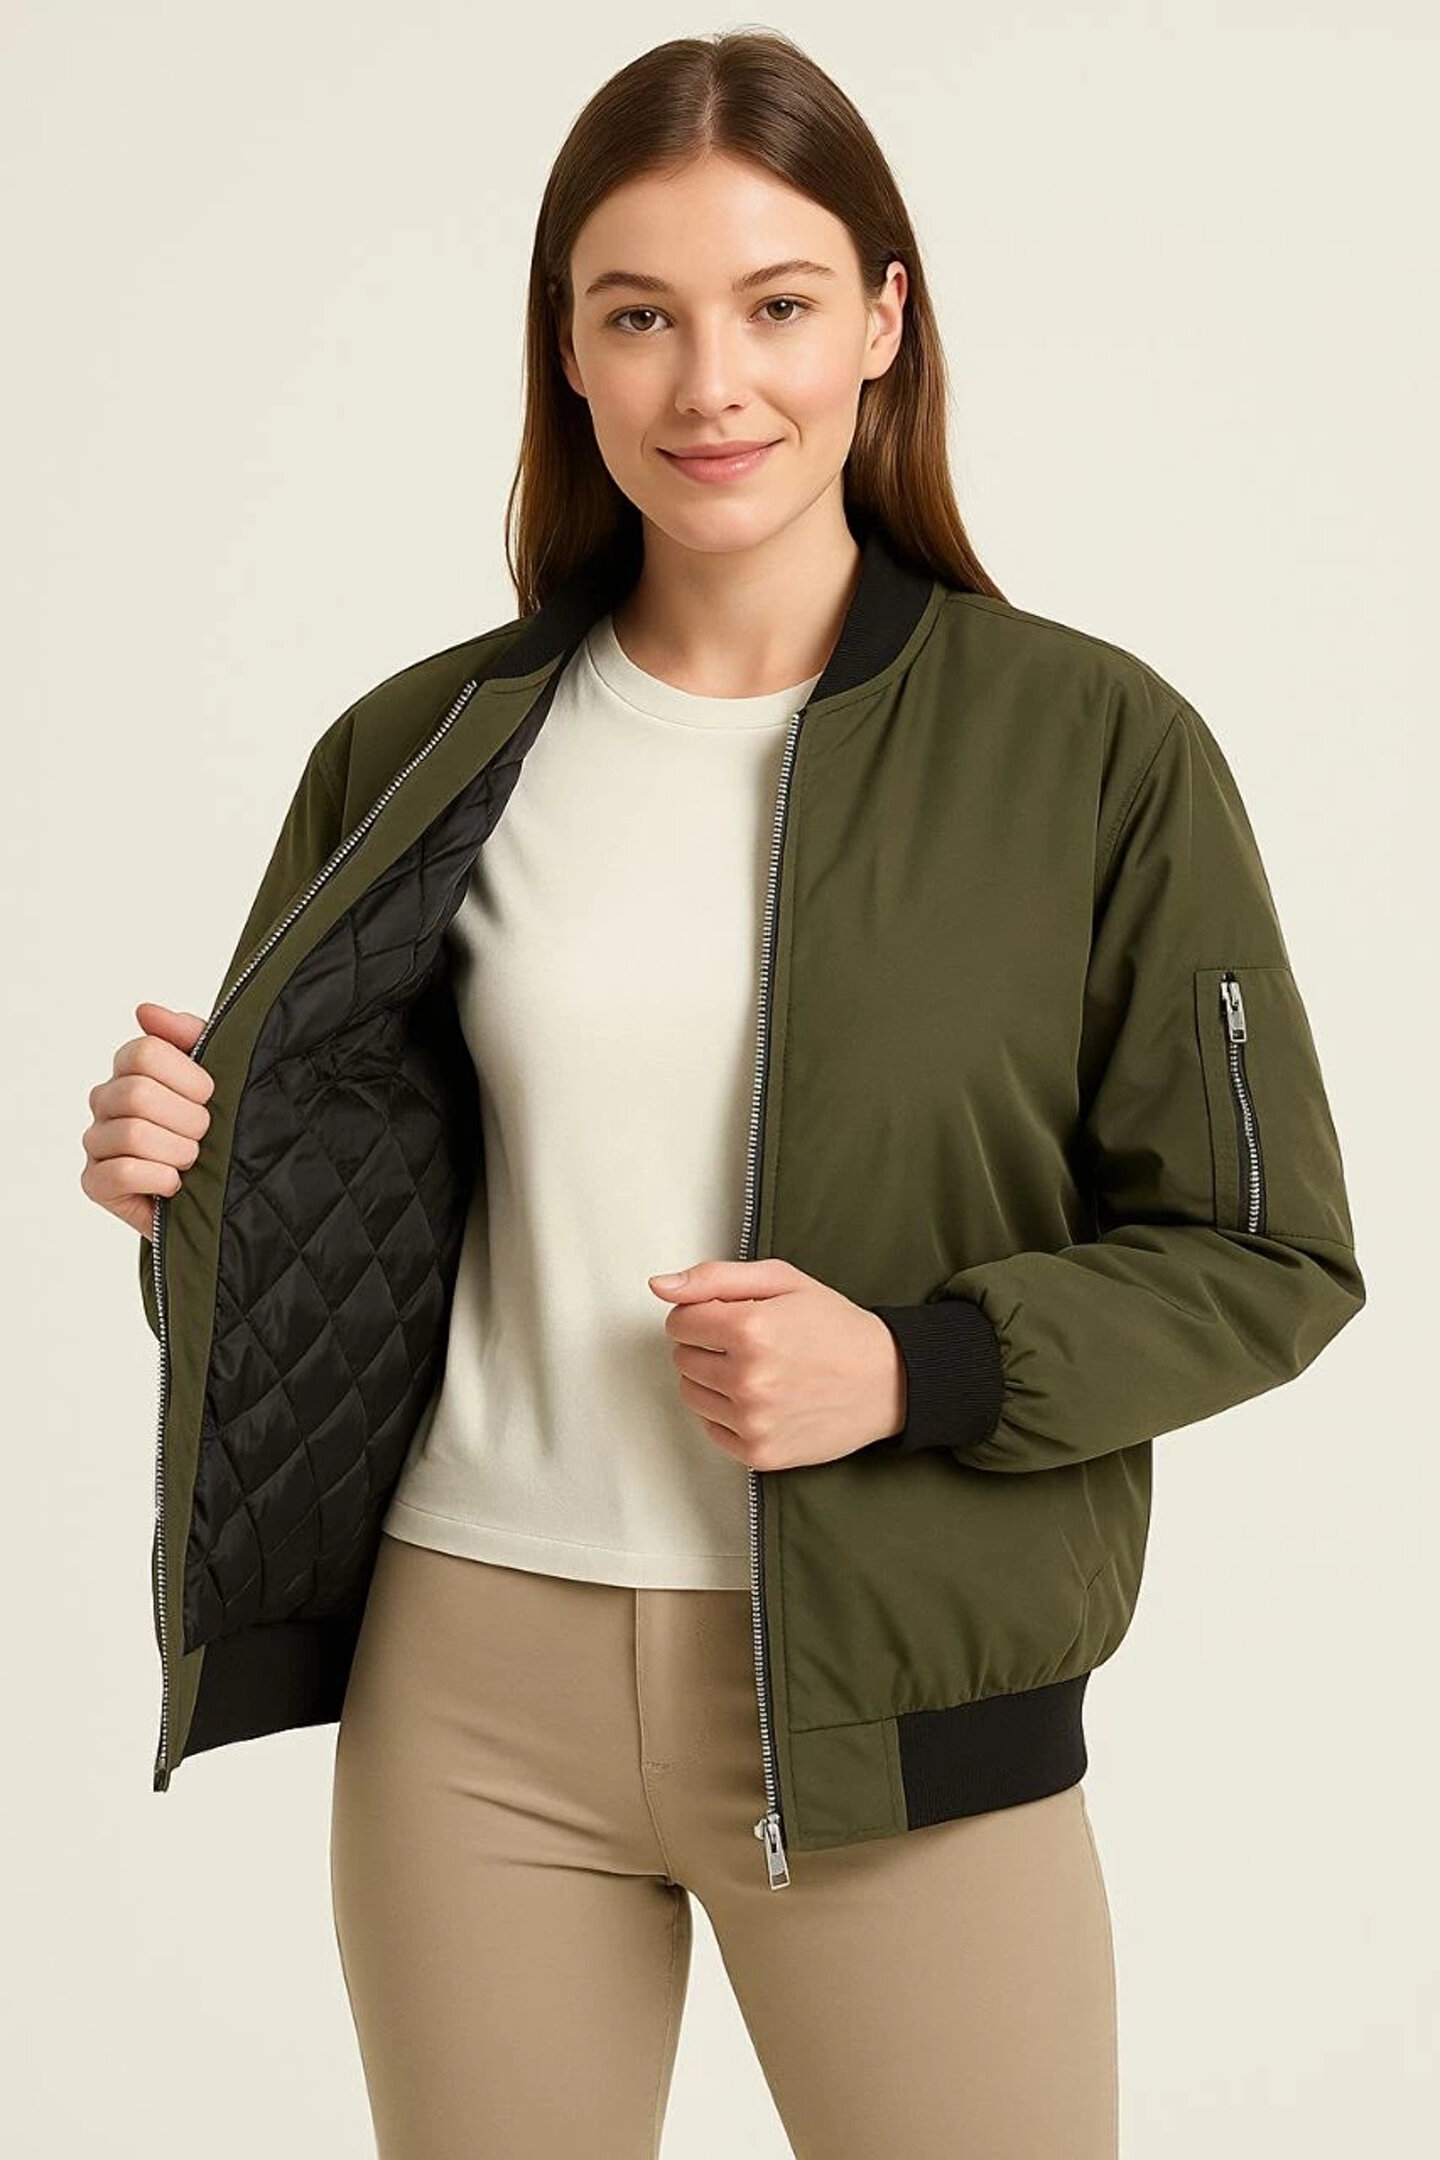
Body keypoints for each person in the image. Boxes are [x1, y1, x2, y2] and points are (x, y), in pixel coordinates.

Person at [80, 28, 1365, 2160]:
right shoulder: (417, 751)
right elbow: (321, 1265)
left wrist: (917, 1367)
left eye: (775, 305)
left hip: (889, 1704)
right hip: (464, 1689)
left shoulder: (1092, 749)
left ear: (882, 321)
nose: (710, 385)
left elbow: (1268, 1255)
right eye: (639, 316)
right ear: (567, 351)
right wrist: (187, 1185)